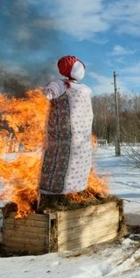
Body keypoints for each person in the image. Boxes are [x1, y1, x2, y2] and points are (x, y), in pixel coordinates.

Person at [39, 55, 94, 205]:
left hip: (82, 139)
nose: (81, 69)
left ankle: (74, 196)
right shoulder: (59, 85)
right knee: (60, 166)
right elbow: (45, 97)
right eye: (78, 66)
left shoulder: (85, 89)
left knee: (80, 165)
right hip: (63, 137)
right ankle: (55, 199)